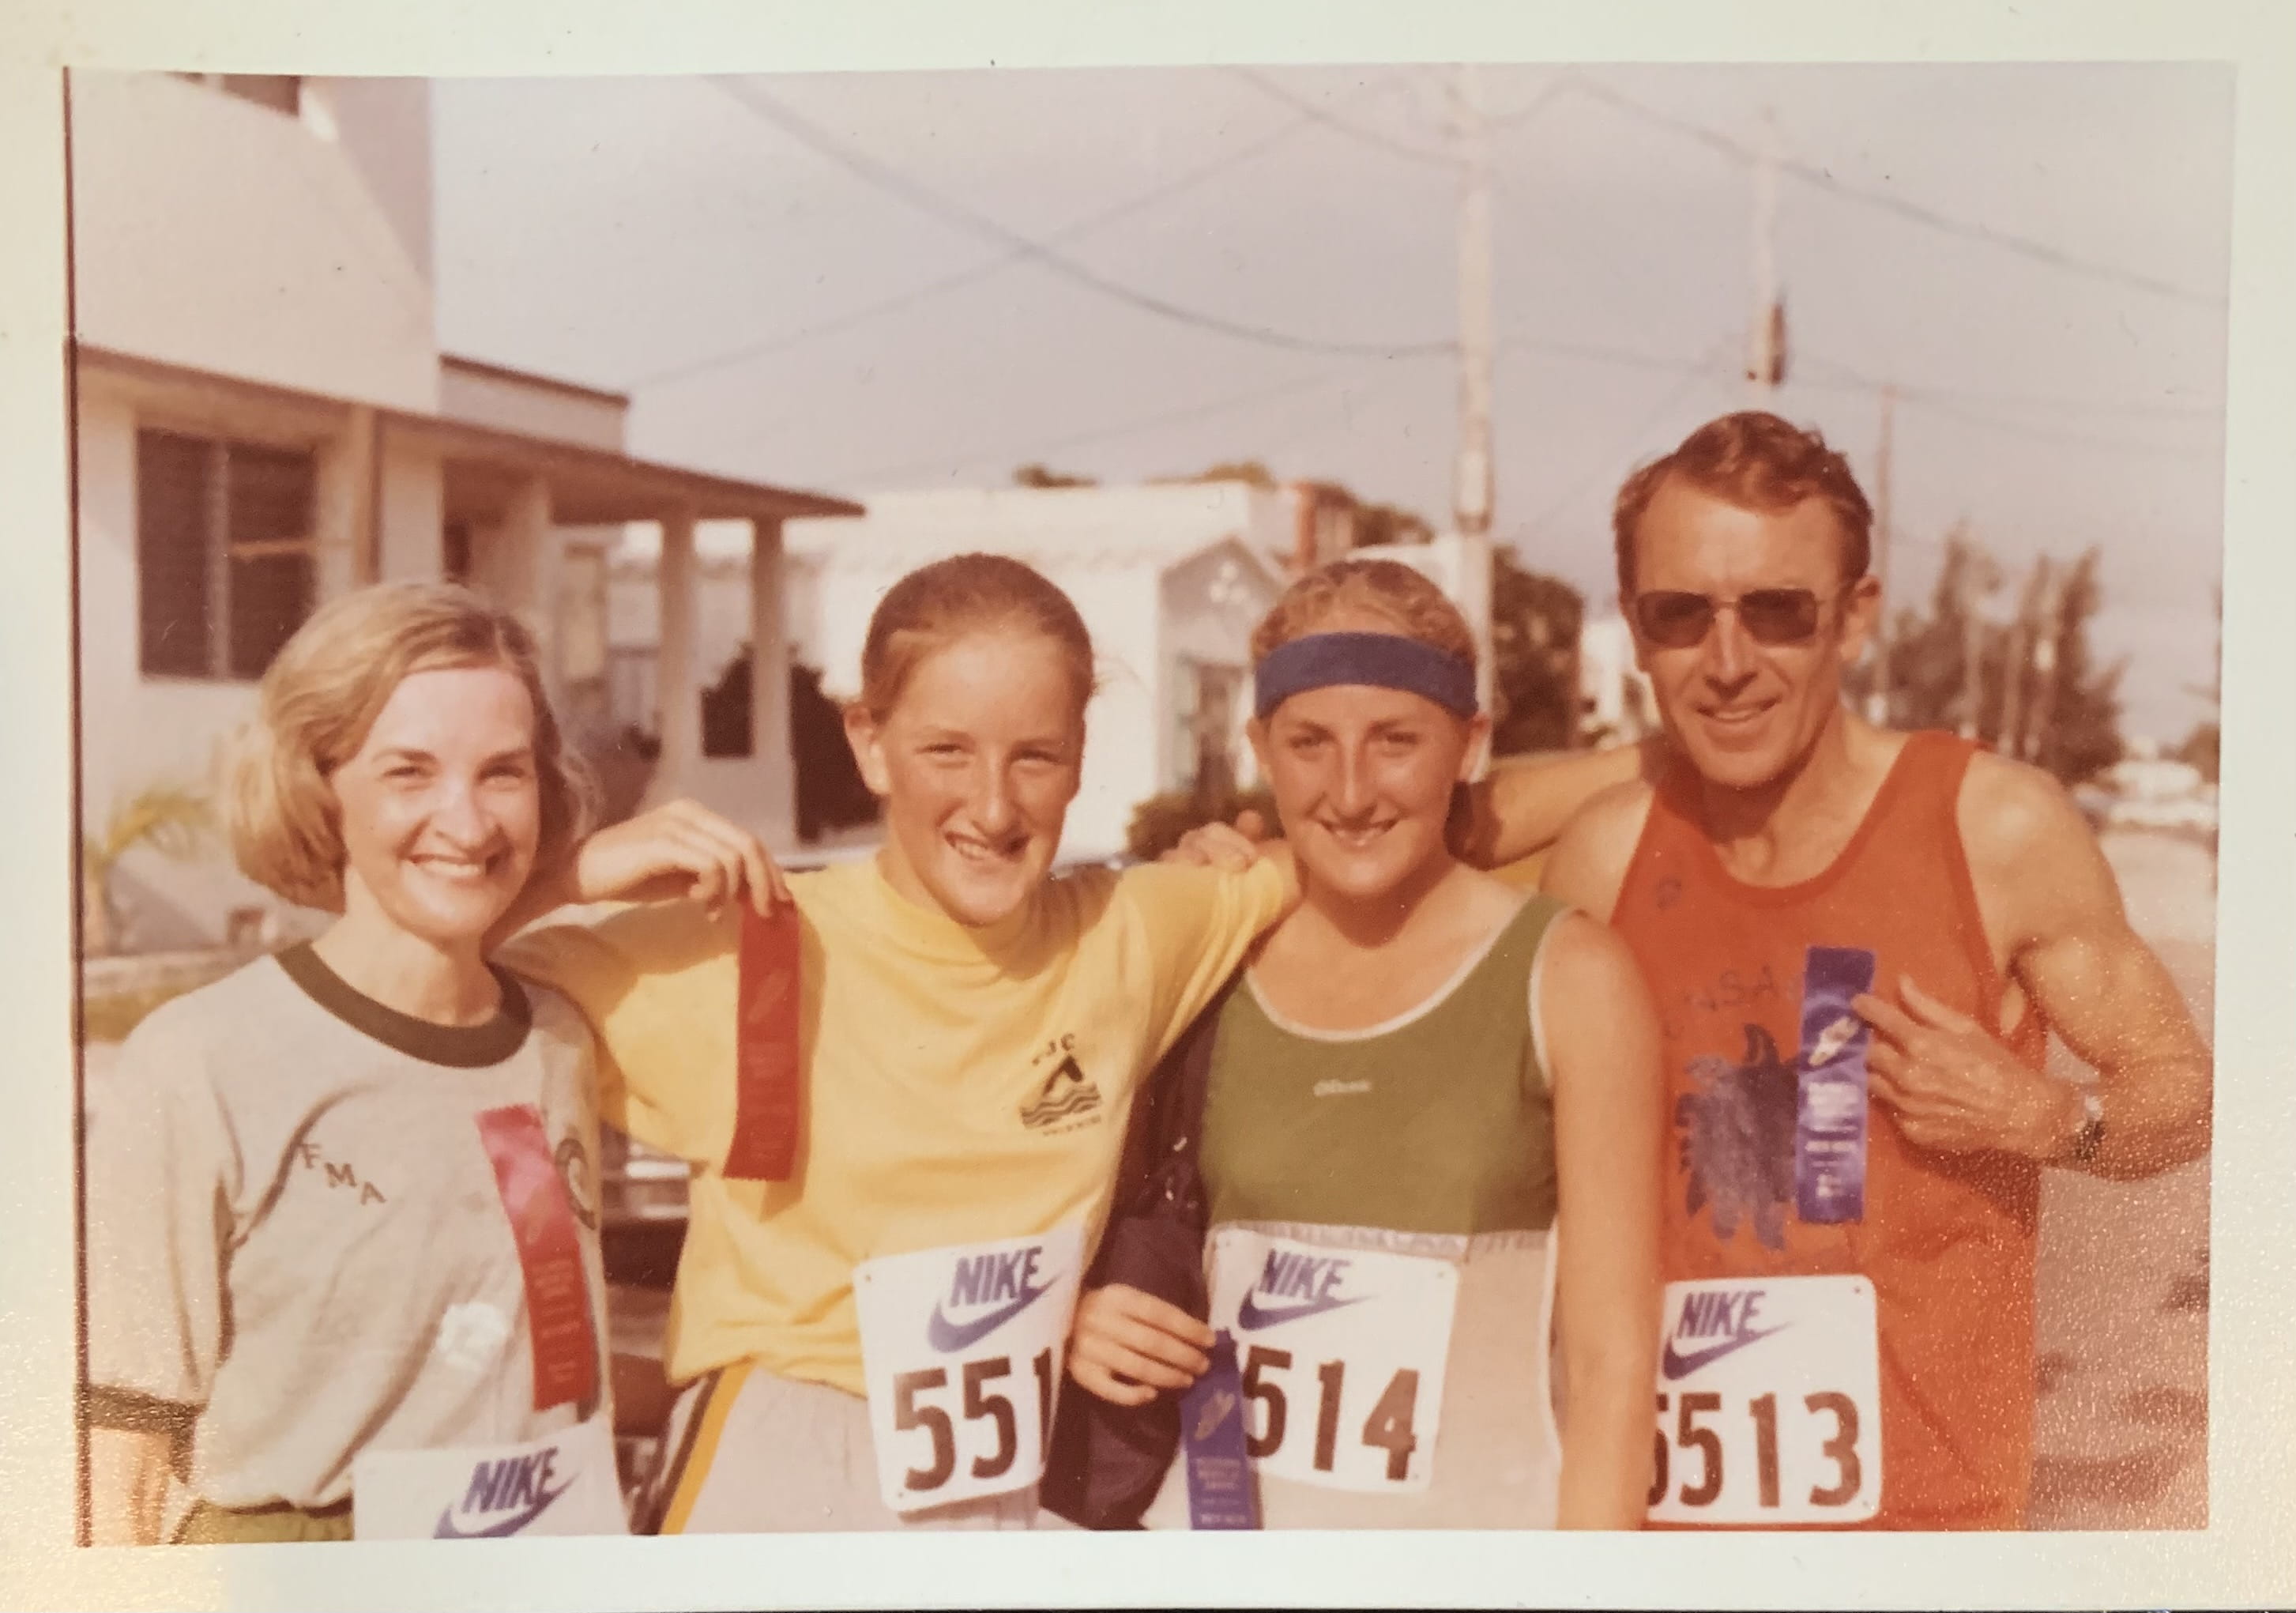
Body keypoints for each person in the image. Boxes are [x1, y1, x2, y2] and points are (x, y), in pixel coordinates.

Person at [498, 552, 1297, 1532]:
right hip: (779, 1469)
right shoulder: (751, 941)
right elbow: (410, 973)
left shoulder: (1132, 928)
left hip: (1000, 1492)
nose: (994, 806)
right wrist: (578, 870)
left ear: (1081, 755)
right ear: (870, 745)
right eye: (946, 752)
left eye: (1034, 756)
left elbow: (1372, 840)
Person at [1527, 411, 2214, 1529]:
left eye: (1778, 611)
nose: (1728, 660)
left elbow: (2182, 1094)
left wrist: (2045, 1118)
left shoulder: (1991, 828)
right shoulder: (1604, 856)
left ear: (1854, 620)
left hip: (1926, 1537)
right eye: (1680, 615)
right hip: (1655, 1529)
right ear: (1635, 629)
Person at [1051, 559, 1664, 1530]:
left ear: (1469, 743)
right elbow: (994, 1173)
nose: (1348, 791)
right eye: (1307, 743)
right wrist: (1067, 1316)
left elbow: (1611, 1369)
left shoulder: (1570, 975)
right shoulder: (1204, 944)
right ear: (1258, 745)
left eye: (1394, 742)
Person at [83, 582, 627, 1543]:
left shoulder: (558, 1039)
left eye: (503, 773)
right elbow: (126, 1428)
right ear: (318, 789)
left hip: (542, 1543)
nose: (467, 820)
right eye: (408, 773)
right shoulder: (200, 1059)